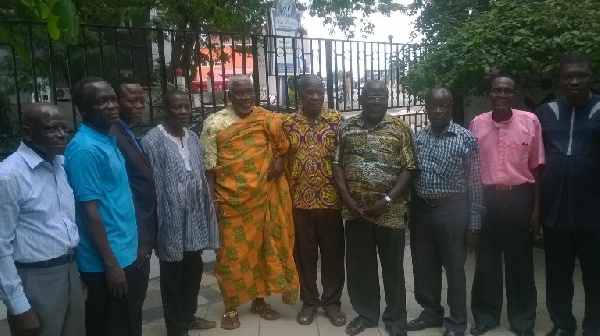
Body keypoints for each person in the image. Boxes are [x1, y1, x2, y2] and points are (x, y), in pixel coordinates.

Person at [200, 75, 299, 330]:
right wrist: (213, 200)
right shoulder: (214, 123)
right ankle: (230, 307)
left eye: (249, 92)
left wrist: (279, 161)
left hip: (264, 196)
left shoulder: (267, 119)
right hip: (230, 201)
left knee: (263, 250)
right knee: (230, 256)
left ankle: (260, 300)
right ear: (229, 96)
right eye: (239, 93)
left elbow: (282, 147)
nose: (245, 97)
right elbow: (209, 166)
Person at [333, 80, 417, 336]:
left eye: (381, 96)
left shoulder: (400, 128)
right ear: (361, 98)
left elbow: (410, 168)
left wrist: (387, 200)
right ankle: (367, 315)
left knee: (392, 268)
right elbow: (337, 164)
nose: (376, 101)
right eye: (371, 96)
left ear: (387, 98)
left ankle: (395, 319)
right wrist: (347, 199)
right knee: (360, 267)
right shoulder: (346, 127)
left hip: (390, 213)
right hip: (356, 212)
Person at [0, 103, 85, 336]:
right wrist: (19, 306)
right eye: (51, 129)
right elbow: (1, 245)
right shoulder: (9, 176)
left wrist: (75, 276)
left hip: (68, 269)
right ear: (28, 133)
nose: (61, 135)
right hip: (35, 280)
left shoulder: (58, 164)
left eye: (64, 128)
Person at [469, 75, 544, 336]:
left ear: (514, 94)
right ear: (490, 94)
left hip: (519, 198)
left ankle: (522, 321)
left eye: (507, 91)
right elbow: (471, 170)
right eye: (497, 90)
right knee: (486, 261)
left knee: (520, 262)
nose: (502, 95)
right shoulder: (477, 124)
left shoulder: (530, 122)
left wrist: (536, 209)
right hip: (487, 199)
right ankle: (485, 317)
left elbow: (537, 167)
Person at [141, 90, 219, 336]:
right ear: (165, 109)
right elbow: (149, 184)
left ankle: (189, 316)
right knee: (172, 274)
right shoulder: (152, 141)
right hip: (170, 217)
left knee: (193, 270)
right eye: (177, 107)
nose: (183, 111)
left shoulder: (193, 137)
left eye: (187, 107)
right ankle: (176, 327)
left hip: (194, 215)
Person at [64, 77, 138, 336]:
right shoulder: (85, 149)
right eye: (101, 101)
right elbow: (90, 213)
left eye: (112, 99)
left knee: (127, 324)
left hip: (124, 250)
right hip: (104, 262)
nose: (111, 106)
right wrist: (111, 265)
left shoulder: (106, 139)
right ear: (83, 110)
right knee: (109, 327)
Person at [535, 52, 600, 336]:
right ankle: (563, 324)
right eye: (568, 77)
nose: (574, 81)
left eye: (581, 76)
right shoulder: (546, 113)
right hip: (555, 210)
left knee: (595, 274)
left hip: (594, 212)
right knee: (558, 273)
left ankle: (594, 325)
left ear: (591, 78)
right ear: (560, 81)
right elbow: (534, 161)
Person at [409, 87, 483, 336]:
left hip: (453, 210)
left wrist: (474, 224)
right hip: (422, 210)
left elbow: (475, 183)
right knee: (424, 266)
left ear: (451, 107)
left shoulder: (466, 138)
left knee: (454, 269)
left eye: (444, 106)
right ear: (426, 107)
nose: (438, 110)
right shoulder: (418, 138)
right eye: (433, 106)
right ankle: (431, 313)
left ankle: (457, 322)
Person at [282, 75, 346, 327]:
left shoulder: (337, 120)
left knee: (332, 256)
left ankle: (332, 303)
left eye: (320, 92)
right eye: (310, 92)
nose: (316, 97)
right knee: (304, 257)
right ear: (300, 94)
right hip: (299, 202)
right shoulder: (287, 123)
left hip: (331, 202)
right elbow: (275, 150)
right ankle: (309, 302)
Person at [109, 77, 158, 336]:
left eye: (142, 100)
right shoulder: (113, 136)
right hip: (133, 236)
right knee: (129, 305)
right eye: (132, 100)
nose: (139, 106)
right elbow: (126, 195)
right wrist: (142, 240)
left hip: (141, 234)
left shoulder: (126, 131)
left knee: (136, 301)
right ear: (117, 102)